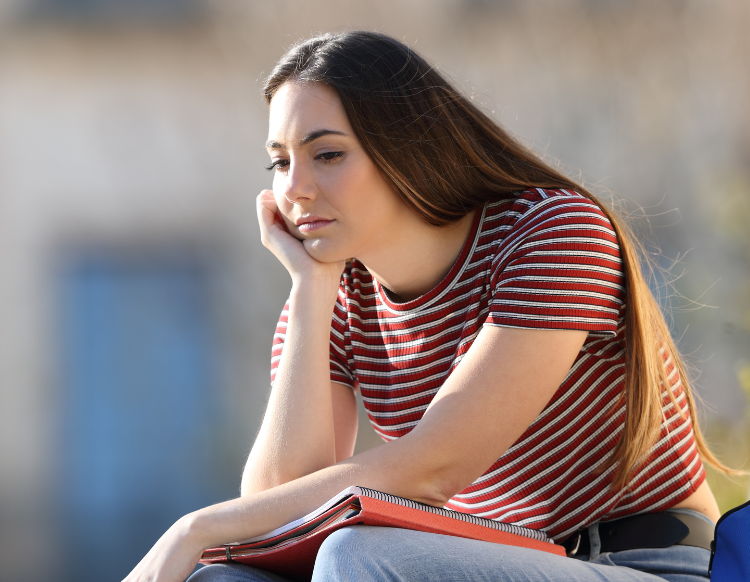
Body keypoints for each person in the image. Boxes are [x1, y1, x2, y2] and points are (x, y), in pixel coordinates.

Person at [123, 30, 738, 582]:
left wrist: (197, 528)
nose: (295, 189)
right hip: (485, 560)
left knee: (355, 557)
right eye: (280, 162)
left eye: (327, 154)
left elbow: (430, 469)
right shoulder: (336, 291)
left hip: (646, 566)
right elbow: (277, 505)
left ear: (406, 148)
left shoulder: (551, 233)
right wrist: (311, 290)